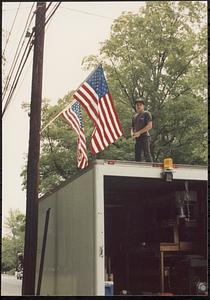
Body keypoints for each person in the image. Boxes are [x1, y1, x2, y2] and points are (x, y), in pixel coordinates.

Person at [131, 98, 153, 162]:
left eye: (140, 105)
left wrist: (139, 132)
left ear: (143, 106)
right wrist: (132, 133)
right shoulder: (134, 116)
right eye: (137, 105)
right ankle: (138, 169)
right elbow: (132, 127)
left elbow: (150, 126)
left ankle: (150, 168)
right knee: (137, 155)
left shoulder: (146, 113)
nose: (138, 106)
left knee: (147, 153)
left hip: (145, 137)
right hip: (137, 138)